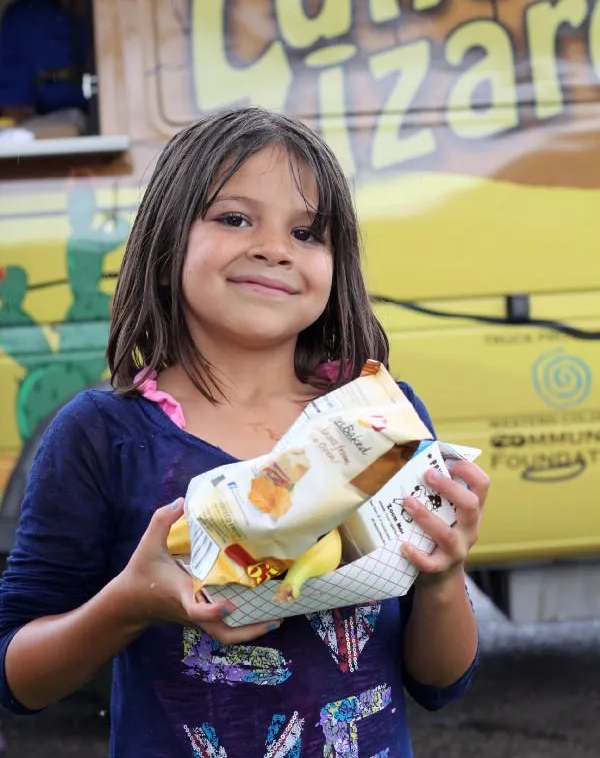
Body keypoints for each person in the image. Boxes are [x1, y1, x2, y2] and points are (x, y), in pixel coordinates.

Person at [0, 106, 490, 757]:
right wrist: (129, 602)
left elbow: (439, 681)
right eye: (234, 218)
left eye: (308, 232)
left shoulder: (382, 421)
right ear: (169, 239)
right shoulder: (100, 437)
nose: (275, 247)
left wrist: (440, 575)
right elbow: (18, 679)